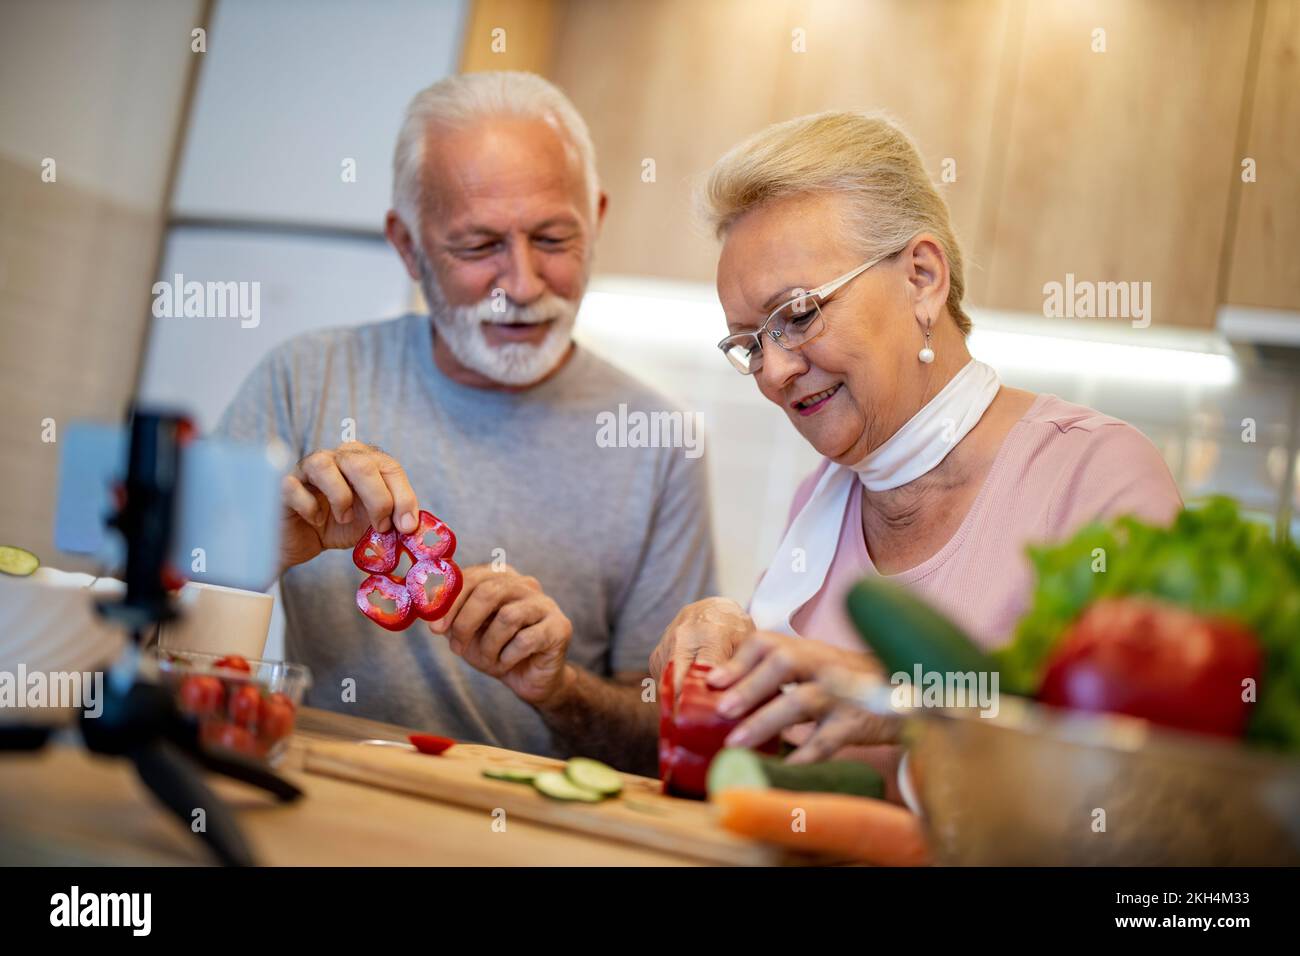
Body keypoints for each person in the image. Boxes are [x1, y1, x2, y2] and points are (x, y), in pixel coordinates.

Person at [650, 111, 1181, 783]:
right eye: (750, 343)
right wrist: (721, 645)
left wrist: (906, 704)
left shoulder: (1093, 474)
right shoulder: (820, 501)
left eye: (798, 315)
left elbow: (1151, 771)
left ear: (923, 277)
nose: (775, 371)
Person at [219, 72, 715, 773]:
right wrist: (257, 549)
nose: (521, 283)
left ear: (596, 219)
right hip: (319, 796)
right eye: (479, 246)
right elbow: (145, 634)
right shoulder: (304, 380)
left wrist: (559, 688)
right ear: (408, 245)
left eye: (552, 238)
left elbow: (670, 743)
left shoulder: (661, 443)